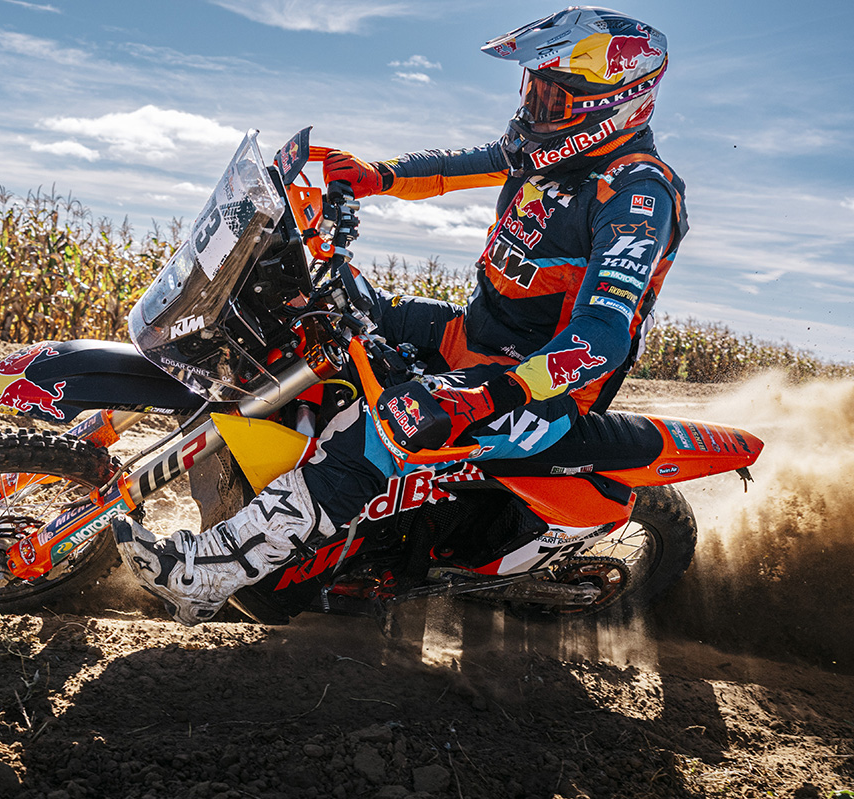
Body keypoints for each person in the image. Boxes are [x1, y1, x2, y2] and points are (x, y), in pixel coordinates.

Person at [115, 7, 688, 626]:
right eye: (534, 88)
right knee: (327, 301)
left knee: (388, 425)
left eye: (555, 97)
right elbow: (459, 164)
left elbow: (601, 337)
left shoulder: (636, 193)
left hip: (543, 386)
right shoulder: (543, 153)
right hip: (475, 335)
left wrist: (494, 393)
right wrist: (378, 175)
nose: (535, 107)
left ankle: (212, 573)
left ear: (619, 104)